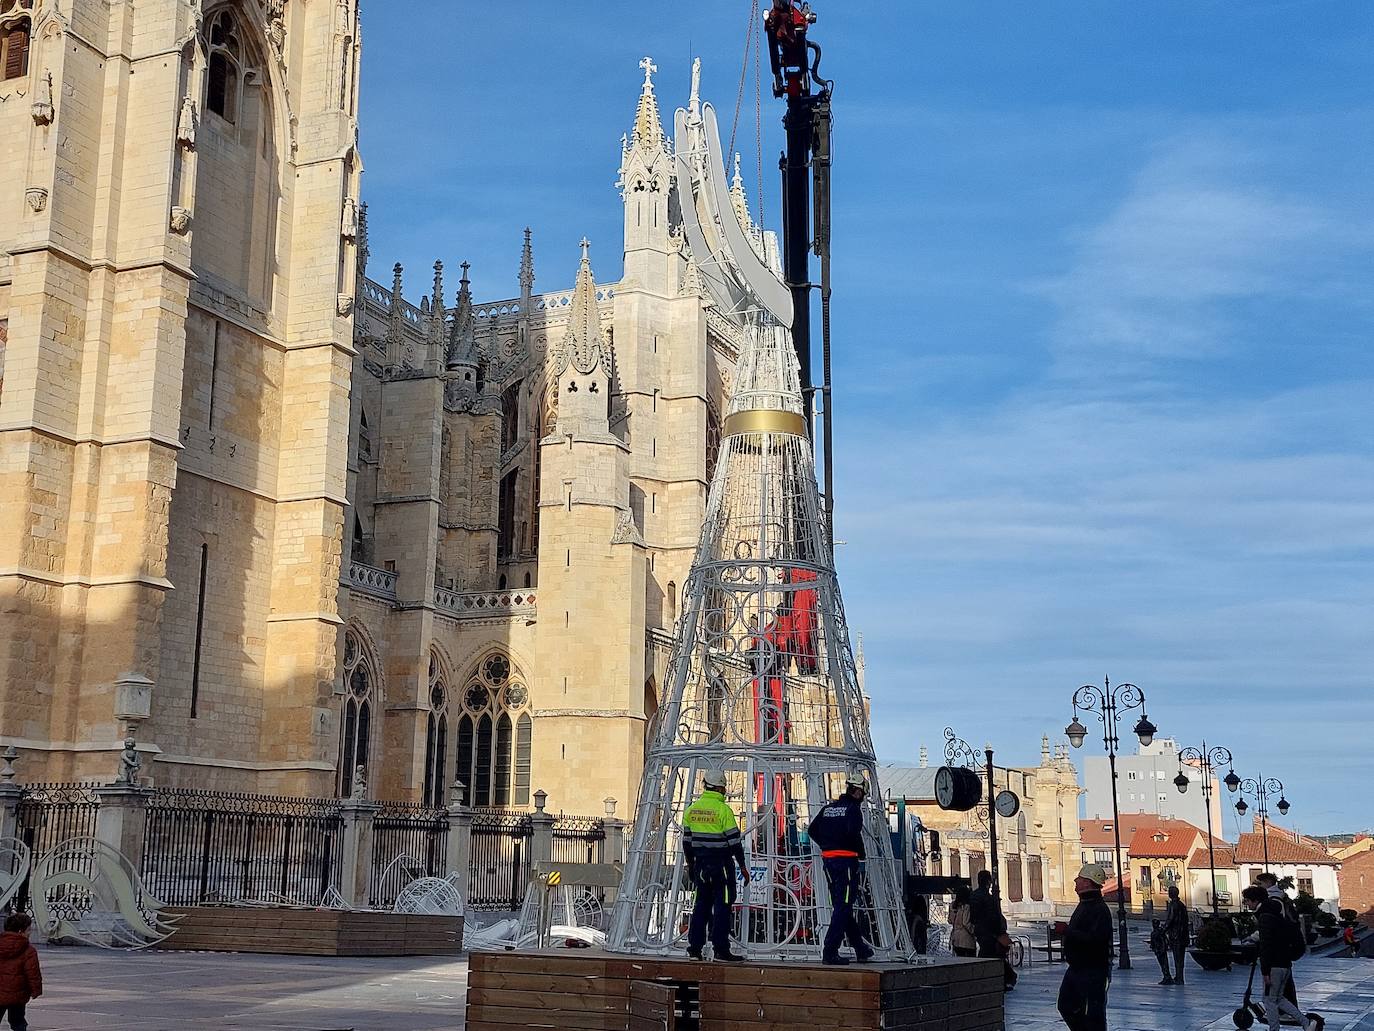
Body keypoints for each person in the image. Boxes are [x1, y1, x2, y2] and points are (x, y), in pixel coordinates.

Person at [683, 770, 750, 961]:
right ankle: (721, 948)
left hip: (701, 866)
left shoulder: (691, 810)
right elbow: (735, 843)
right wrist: (743, 866)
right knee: (723, 906)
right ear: (721, 788)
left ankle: (694, 949)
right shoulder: (723, 811)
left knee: (701, 906)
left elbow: (686, 843)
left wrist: (691, 866)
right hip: (721, 865)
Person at [807, 775, 874, 965]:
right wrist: (860, 853)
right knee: (843, 906)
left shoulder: (828, 809)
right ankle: (830, 951)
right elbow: (854, 833)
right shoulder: (852, 810)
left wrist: (827, 845)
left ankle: (860, 948)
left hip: (829, 861)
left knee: (842, 906)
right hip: (846, 862)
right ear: (859, 791)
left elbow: (812, 830)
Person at [1242, 885, 1316, 1031]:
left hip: (1274, 966)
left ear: (1255, 900)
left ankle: (1275, 1029)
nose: (1247, 904)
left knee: (1269, 1000)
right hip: (1285, 963)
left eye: (1247, 901)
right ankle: (1306, 1023)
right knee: (1279, 998)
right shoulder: (1275, 913)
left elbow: (1267, 946)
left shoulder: (1265, 917)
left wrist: (1265, 971)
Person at [1056, 863, 1114, 1031]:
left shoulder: (1098, 909)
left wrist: (1068, 931)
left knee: (1093, 1014)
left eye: (1079, 879)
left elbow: (1096, 939)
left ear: (1088, 883)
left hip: (1092, 971)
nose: (1076, 881)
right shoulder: (1086, 904)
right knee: (1066, 1005)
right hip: (1077, 968)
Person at [1255, 872, 1302, 1011]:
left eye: (1261, 883)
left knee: (1279, 987)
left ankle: (1288, 1013)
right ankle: (1291, 1011)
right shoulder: (1282, 896)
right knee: (1286, 982)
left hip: (1278, 949)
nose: (1260, 886)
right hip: (1285, 947)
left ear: (1268, 882)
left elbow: (1273, 925)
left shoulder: (1273, 900)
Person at [969, 869, 1017, 990]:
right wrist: (1000, 932)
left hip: (980, 931)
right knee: (995, 957)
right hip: (990, 933)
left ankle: (996, 979)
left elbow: (973, 916)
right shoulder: (989, 898)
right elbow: (995, 917)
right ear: (988, 882)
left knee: (987, 955)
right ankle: (1007, 978)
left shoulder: (973, 896)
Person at [0, 912, 42, 1031]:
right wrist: (36, 990)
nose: (30, 933)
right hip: (18, 994)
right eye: (28, 930)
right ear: (20, 931)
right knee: (18, 1022)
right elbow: (33, 973)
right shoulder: (29, 950)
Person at [1164, 884, 1189, 985]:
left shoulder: (1173, 905)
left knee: (1177, 957)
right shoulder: (1182, 905)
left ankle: (1179, 978)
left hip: (1175, 935)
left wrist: (1163, 929)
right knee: (1180, 958)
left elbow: (1170, 919)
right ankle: (1180, 976)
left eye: (1169, 892)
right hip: (1182, 935)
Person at [950, 883, 977, 957]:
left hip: (956, 939)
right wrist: (974, 931)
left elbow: (950, 920)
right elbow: (966, 922)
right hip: (966, 940)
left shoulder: (953, 906)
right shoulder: (966, 906)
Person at [1149, 919, 1173, 984]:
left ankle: (1167, 977)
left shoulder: (1159, 932)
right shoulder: (1154, 932)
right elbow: (1153, 942)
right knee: (1162, 965)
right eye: (1153, 924)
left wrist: (1162, 949)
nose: (1154, 925)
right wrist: (1154, 948)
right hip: (1158, 950)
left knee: (1164, 964)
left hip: (1161, 950)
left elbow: (1164, 941)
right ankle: (1166, 977)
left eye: (1155, 924)